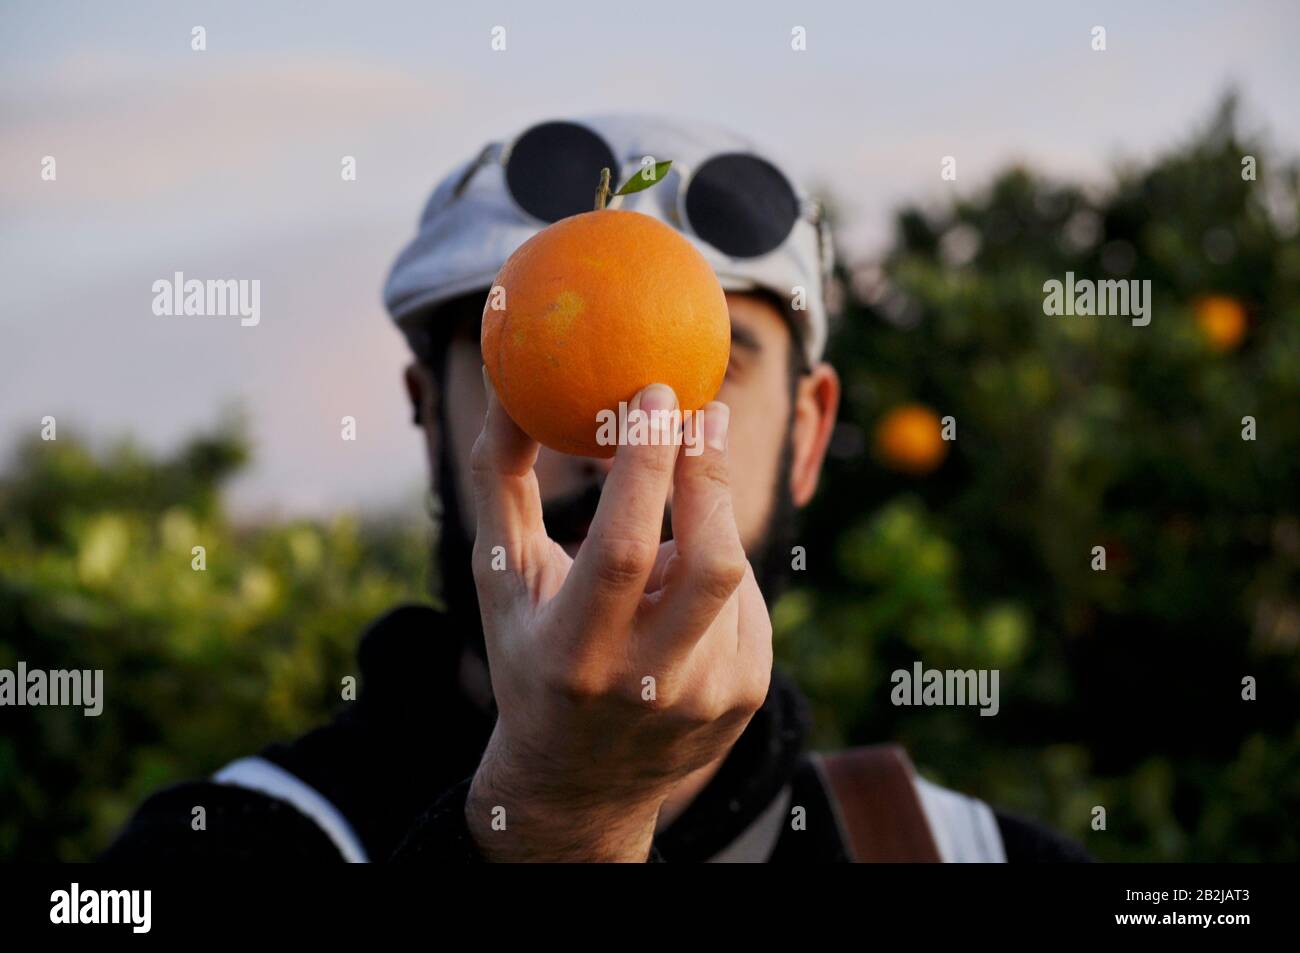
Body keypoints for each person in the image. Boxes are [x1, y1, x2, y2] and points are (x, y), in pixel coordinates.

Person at [105, 115, 1087, 863]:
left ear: (807, 433)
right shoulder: (225, 842)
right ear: (428, 413)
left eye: (711, 357)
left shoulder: (965, 852)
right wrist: (554, 819)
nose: (625, 430)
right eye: (543, 355)